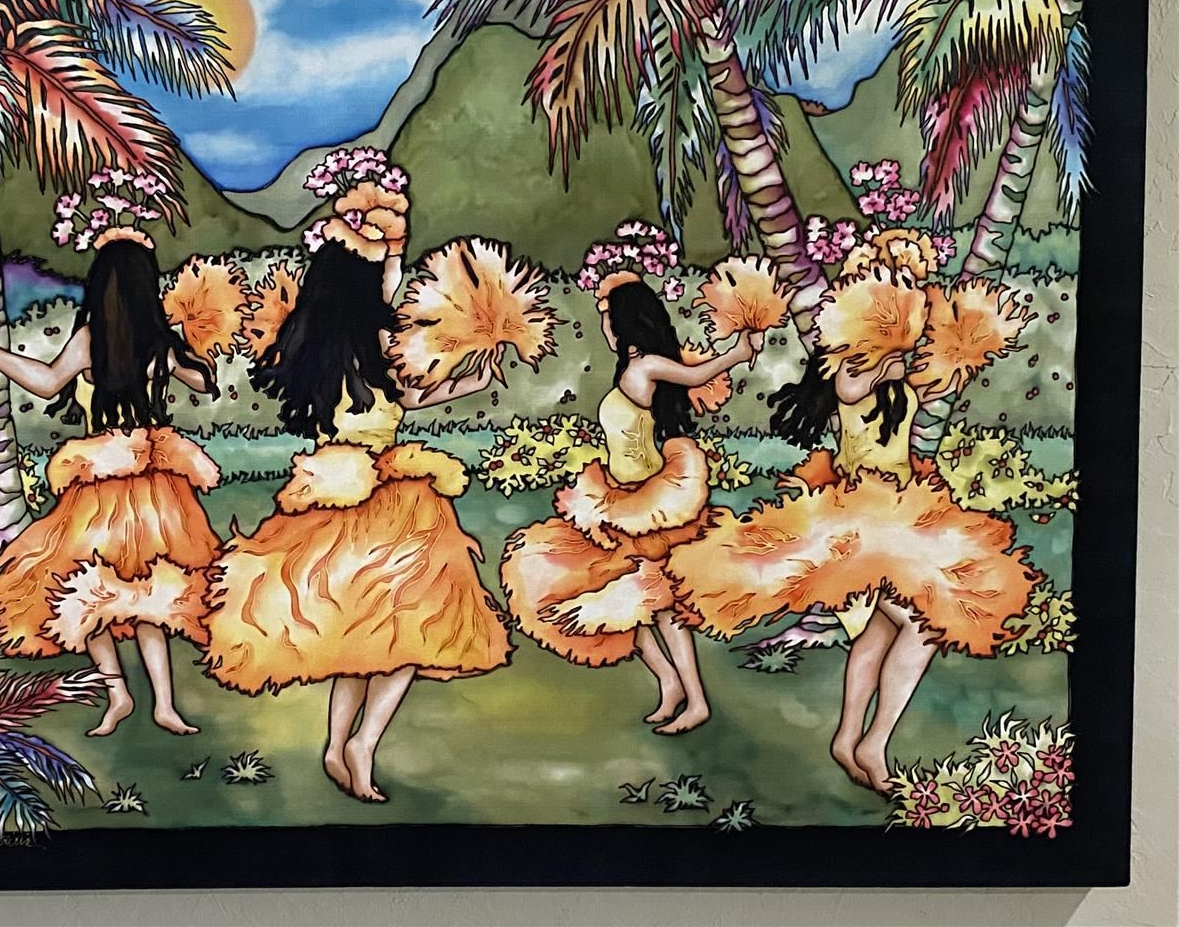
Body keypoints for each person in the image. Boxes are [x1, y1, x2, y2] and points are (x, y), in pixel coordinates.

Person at [665, 256, 1038, 791]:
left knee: (881, 631)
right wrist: (887, 359)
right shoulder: (853, 374)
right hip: (862, 521)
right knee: (924, 626)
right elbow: (852, 385)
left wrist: (964, 343)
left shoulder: (898, 378)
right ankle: (873, 743)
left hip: (904, 518)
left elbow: (936, 373)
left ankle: (848, 739)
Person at [199, 192, 513, 803]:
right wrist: (471, 375)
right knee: (407, 631)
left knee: (363, 635)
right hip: (394, 509)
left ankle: (340, 745)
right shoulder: (378, 340)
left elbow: (405, 390)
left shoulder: (309, 346)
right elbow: (408, 397)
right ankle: (362, 743)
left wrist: (469, 377)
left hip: (333, 504)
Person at [0, 226, 225, 737]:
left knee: (91, 587)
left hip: (99, 493)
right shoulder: (156, 344)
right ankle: (159, 703)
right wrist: (183, 342)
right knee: (143, 591)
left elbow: (45, 381)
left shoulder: (90, 341)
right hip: (152, 494)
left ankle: (121, 693)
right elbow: (204, 380)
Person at [500, 271, 762, 735]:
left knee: (658, 605)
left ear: (626, 324)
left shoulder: (644, 368)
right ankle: (671, 684)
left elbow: (695, 375)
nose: (604, 326)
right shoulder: (631, 368)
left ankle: (696, 700)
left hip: (647, 505)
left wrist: (741, 352)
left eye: (609, 318)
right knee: (628, 601)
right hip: (619, 500)